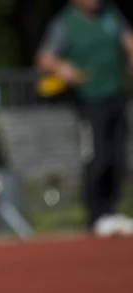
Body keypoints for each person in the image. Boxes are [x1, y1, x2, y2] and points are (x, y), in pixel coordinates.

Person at [37, 0, 133, 237]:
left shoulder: (110, 14)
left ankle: (111, 210)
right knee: (97, 156)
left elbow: (127, 40)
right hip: (89, 101)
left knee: (117, 156)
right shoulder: (65, 23)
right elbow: (44, 58)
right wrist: (62, 67)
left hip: (115, 94)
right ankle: (96, 214)